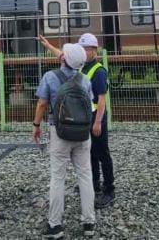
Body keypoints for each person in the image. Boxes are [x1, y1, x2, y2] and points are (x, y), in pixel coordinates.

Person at [38, 33, 115, 209]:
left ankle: (109, 189)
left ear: (95, 50)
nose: (85, 52)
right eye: (83, 49)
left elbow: (102, 99)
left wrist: (97, 123)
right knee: (90, 155)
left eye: (88, 49)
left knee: (102, 153)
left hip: (96, 118)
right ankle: (93, 185)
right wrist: (48, 45)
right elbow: (63, 56)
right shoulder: (80, 66)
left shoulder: (98, 71)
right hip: (85, 119)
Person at [33, 43, 96, 239]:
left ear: (63, 58)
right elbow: (90, 105)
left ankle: (55, 225)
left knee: (58, 178)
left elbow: (42, 103)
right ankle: (89, 223)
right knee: (85, 176)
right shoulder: (85, 80)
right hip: (83, 135)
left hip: (59, 133)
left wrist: (36, 125)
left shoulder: (50, 77)